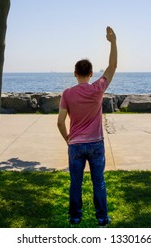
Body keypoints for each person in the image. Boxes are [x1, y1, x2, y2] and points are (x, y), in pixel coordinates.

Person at [57, 26, 117, 226]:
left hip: (75, 145)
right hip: (96, 145)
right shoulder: (97, 89)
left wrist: (69, 139)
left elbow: (60, 121)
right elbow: (112, 66)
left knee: (76, 183)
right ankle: (102, 217)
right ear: (91, 74)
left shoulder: (67, 93)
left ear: (75, 73)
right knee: (98, 182)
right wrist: (113, 42)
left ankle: (75, 217)